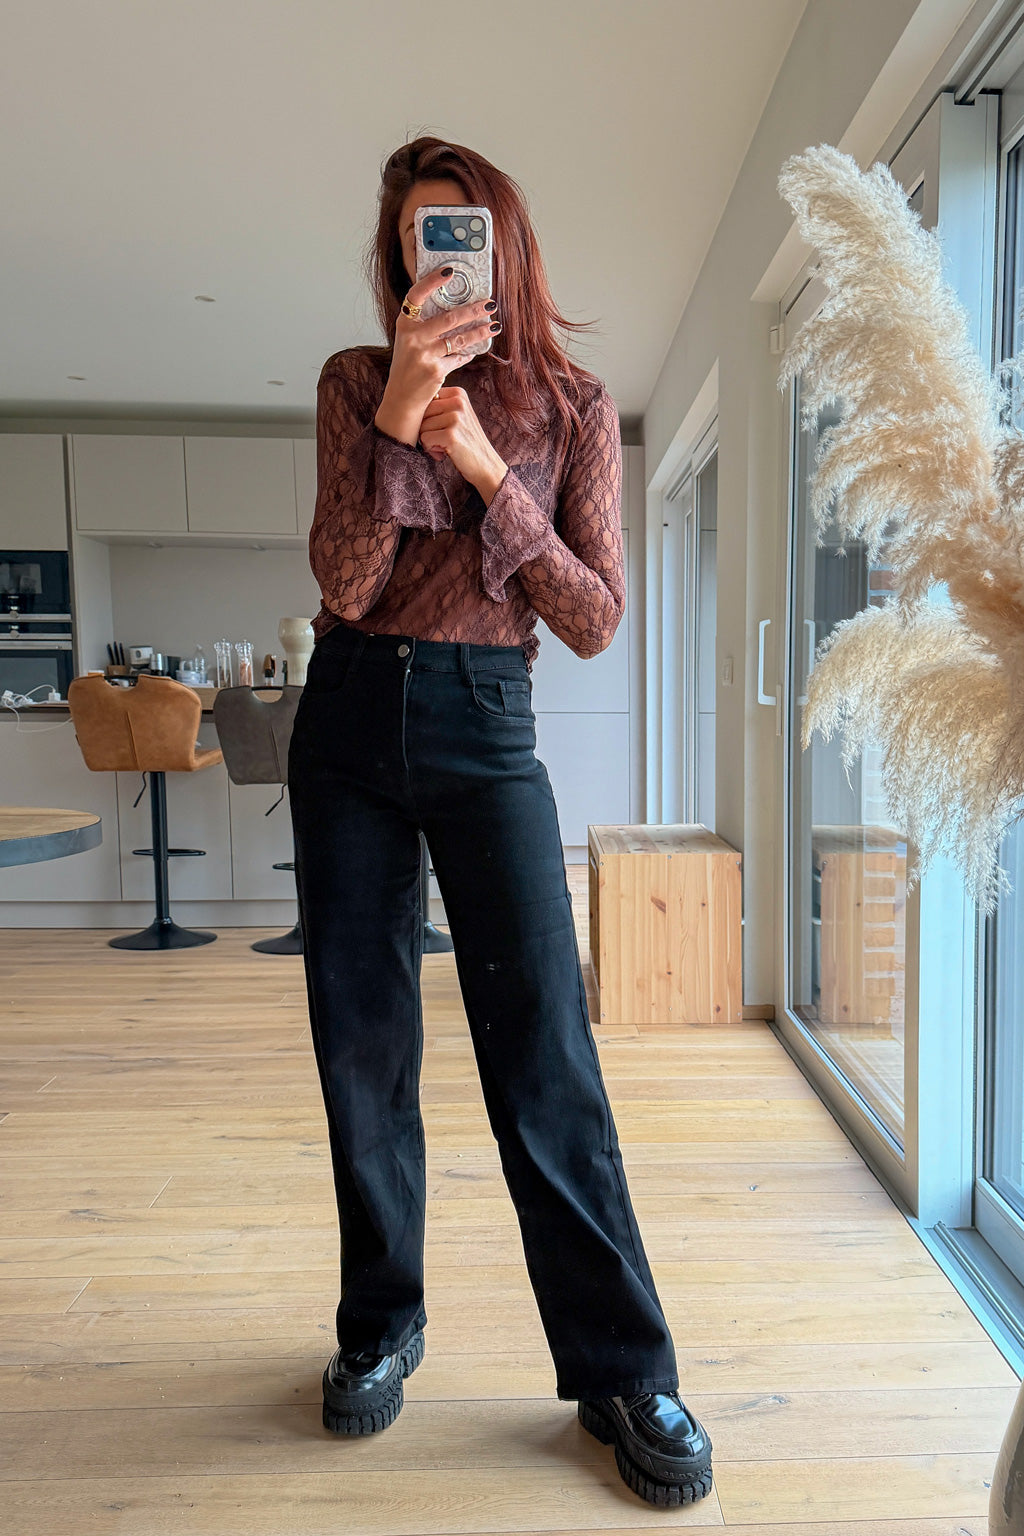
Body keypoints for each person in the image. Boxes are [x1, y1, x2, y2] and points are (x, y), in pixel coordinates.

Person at [287, 134, 713, 1508]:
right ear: (396, 261)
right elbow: (346, 584)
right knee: (363, 1042)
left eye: (461, 231)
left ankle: (623, 1366)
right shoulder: (353, 383)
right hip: (349, 717)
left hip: (487, 723)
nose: (442, 258)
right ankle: (380, 1322)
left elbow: (593, 617)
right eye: (418, 238)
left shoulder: (575, 406)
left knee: (545, 1046)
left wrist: (482, 464)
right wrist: (400, 413)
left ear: (505, 247)